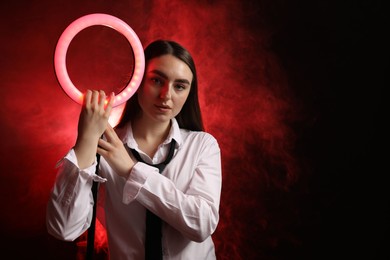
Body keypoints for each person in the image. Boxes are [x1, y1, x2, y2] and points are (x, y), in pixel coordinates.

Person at [46, 39, 222, 259]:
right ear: (136, 82)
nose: (166, 95)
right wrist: (87, 140)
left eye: (179, 86)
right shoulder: (103, 148)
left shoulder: (203, 145)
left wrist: (131, 170)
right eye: (157, 80)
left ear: (189, 92)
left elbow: (202, 225)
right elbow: (64, 228)